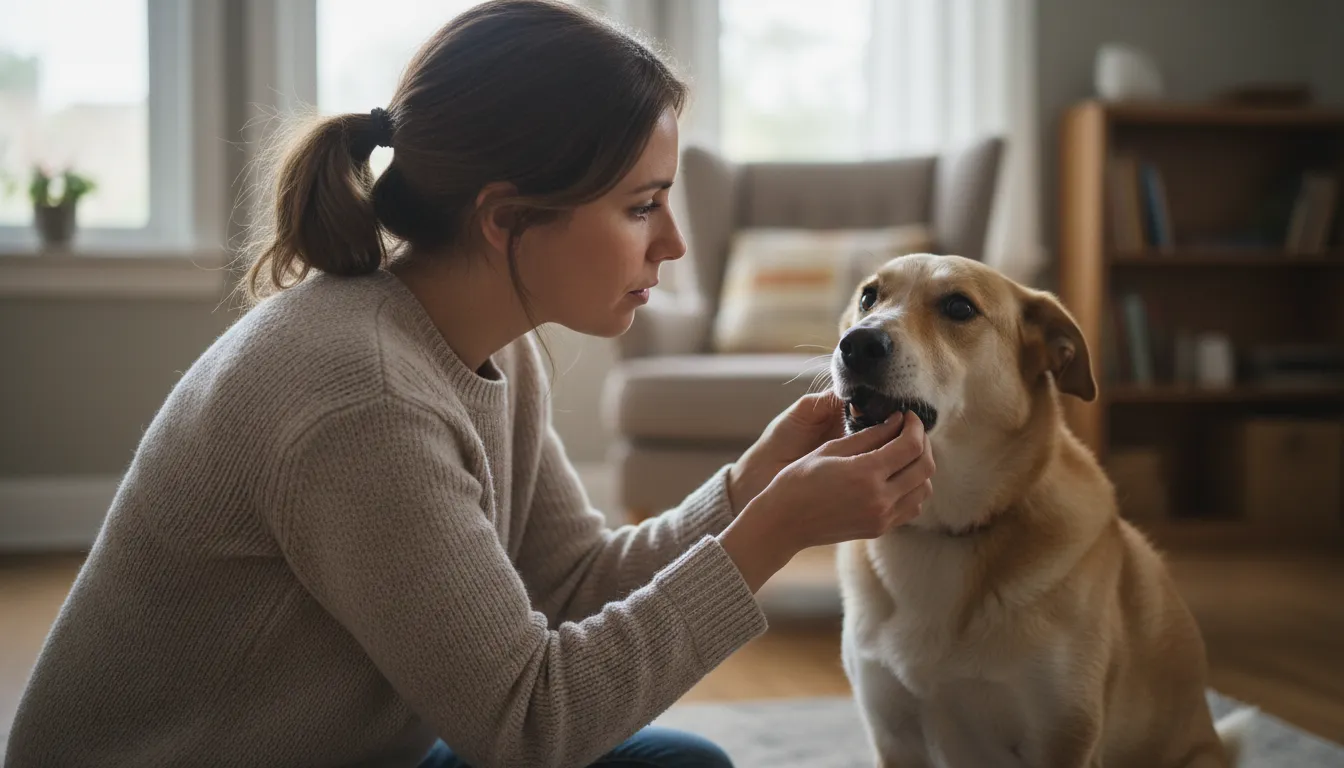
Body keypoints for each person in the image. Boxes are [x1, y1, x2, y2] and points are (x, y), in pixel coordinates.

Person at [4, 2, 935, 766]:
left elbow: (570, 582)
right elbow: (533, 726)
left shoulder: (491, 342)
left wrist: (749, 489)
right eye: (641, 206)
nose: (674, 244)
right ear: (505, 218)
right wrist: (776, 534)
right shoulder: (359, 397)